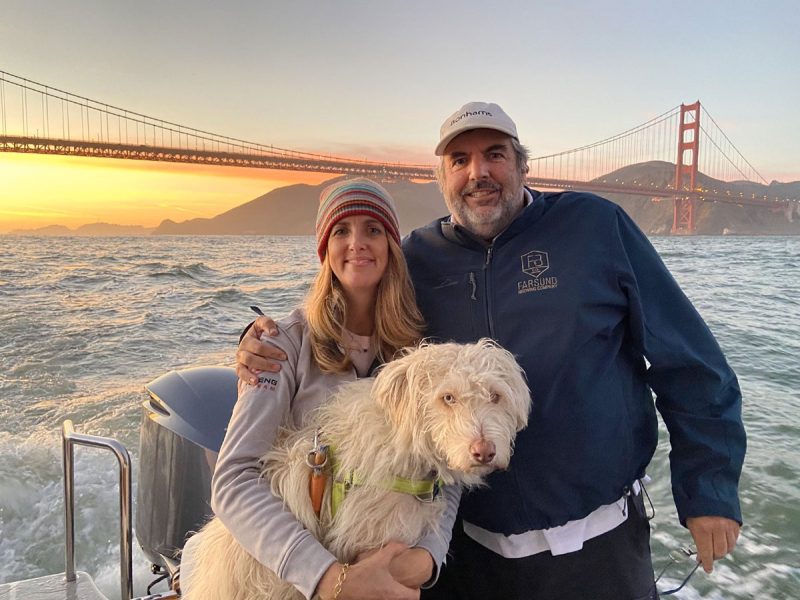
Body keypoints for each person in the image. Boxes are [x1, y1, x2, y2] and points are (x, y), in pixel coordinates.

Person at [236, 103, 746, 600]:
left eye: (495, 154)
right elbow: (347, 294)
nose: (478, 172)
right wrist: (259, 340)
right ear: (442, 179)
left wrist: (709, 490)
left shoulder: (595, 227)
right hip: (466, 557)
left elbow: (690, 360)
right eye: (459, 160)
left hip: (598, 550)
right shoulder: (415, 258)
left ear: (523, 164)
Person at [182, 178, 455, 600]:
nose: (357, 243)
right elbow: (233, 480)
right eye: (341, 231)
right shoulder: (279, 344)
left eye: (373, 229)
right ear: (324, 249)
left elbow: (448, 465)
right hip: (286, 583)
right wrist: (329, 580)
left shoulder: (418, 354)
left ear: (391, 247)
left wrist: (429, 557)